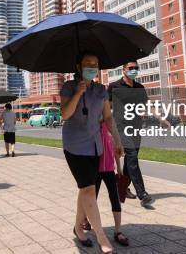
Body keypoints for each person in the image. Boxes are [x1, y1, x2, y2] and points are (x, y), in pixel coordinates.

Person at [61, 51, 123, 254]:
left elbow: (108, 117)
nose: (92, 67)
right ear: (78, 67)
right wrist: (78, 93)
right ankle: (101, 236)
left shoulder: (101, 90)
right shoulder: (69, 87)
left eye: (95, 64)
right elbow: (65, 114)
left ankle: (78, 228)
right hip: (74, 146)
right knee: (88, 189)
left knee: (84, 188)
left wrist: (117, 139)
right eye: (87, 63)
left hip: (95, 145)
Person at [108, 61, 153, 207]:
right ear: (124, 70)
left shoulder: (140, 87)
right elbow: (106, 107)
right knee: (132, 156)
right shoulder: (114, 86)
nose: (133, 70)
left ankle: (122, 187)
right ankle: (142, 193)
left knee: (130, 160)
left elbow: (146, 106)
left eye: (136, 68)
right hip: (120, 128)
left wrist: (156, 116)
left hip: (136, 127)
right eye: (130, 68)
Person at [82, 119, 129, 247]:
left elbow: (116, 150)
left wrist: (118, 168)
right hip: (95, 170)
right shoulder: (92, 126)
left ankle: (118, 231)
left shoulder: (111, 127)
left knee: (115, 197)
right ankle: (86, 220)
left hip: (109, 170)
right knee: (92, 197)